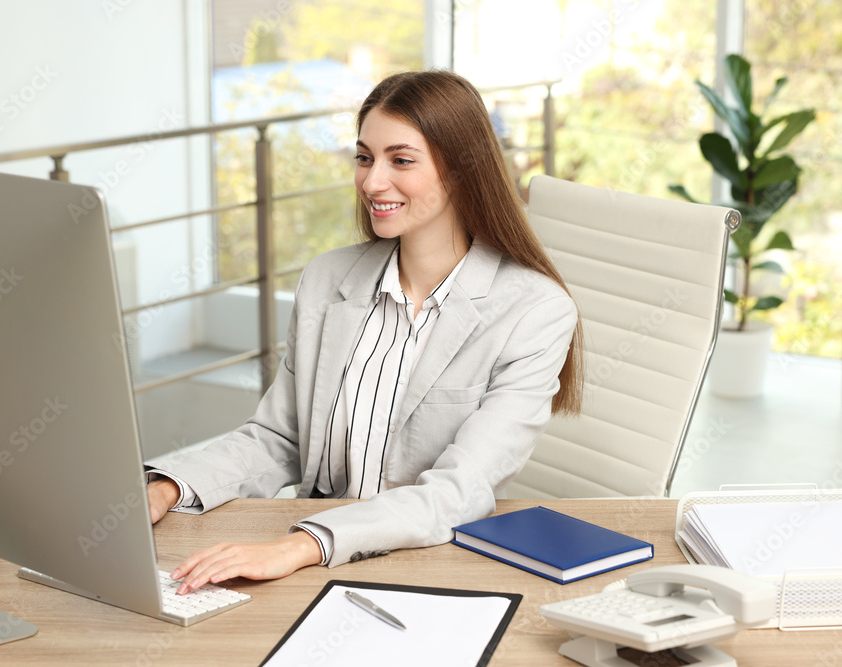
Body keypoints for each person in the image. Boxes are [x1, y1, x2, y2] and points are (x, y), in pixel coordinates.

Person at [146, 70, 583, 594]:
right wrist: (168, 484)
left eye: (401, 160)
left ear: (462, 170)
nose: (373, 182)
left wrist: (299, 546)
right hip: (312, 562)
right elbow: (281, 437)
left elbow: (458, 492)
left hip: (424, 564)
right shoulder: (328, 280)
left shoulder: (534, 311)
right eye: (363, 157)